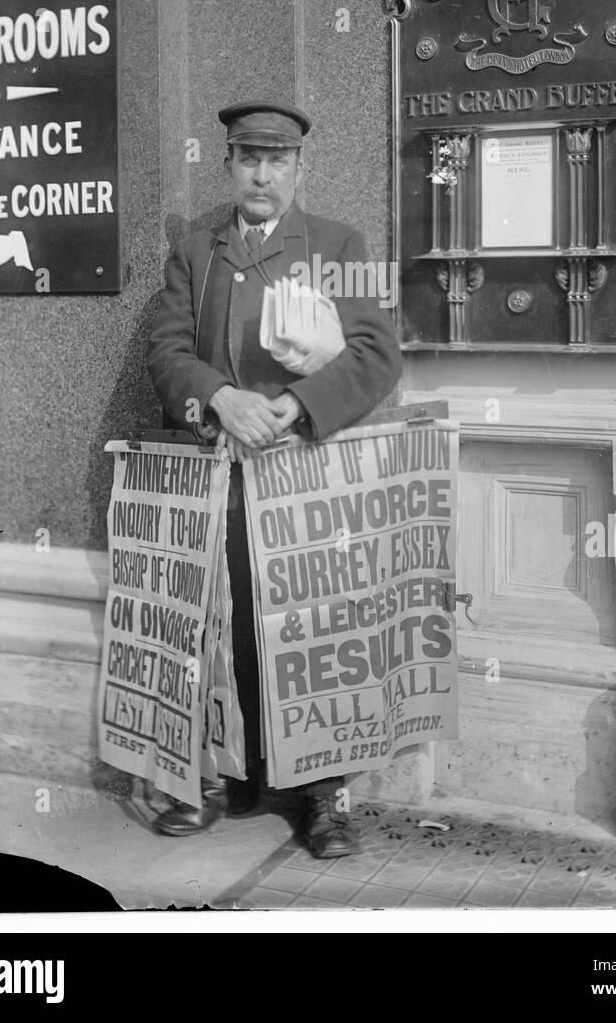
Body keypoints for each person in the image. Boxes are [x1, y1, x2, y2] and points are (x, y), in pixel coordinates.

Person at [147, 99, 402, 856]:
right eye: (248, 159)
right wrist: (218, 397)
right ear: (227, 165)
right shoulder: (198, 252)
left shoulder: (337, 243)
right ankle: (221, 775)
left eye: (277, 161)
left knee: (315, 624)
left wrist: (294, 405)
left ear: (298, 169)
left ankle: (324, 797)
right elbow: (164, 353)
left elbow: (376, 355)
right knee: (221, 622)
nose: (262, 174)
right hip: (224, 474)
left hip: (308, 475)